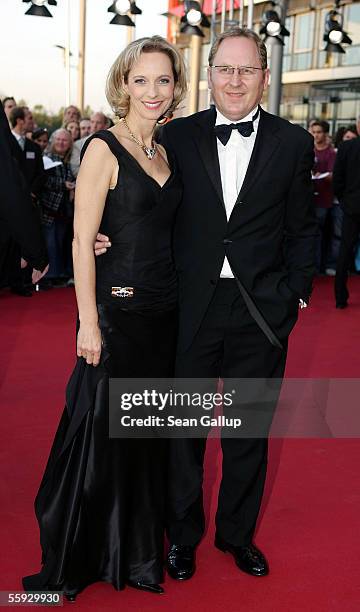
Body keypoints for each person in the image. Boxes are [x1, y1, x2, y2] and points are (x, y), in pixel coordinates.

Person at [96, 27, 317, 580]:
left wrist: (295, 297)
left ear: (265, 77)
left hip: (260, 312)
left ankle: (237, 536)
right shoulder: (179, 136)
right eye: (225, 69)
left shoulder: (293, 143)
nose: (235, 80)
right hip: (189, 308)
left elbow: (303, 228)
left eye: (247, 70)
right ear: (209, 74)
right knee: (184, 434)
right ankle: (183, 537)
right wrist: (109, 237)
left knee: (248, 436)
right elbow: (147, 206)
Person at [23, 35, 187, 600]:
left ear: (175, 88)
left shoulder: (166, 153)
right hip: (116, 315)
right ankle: (83, 555)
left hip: (164, 318)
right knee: (101, 439)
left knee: (146, 440)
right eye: (140, 79)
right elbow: (78, 240)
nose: (151, 90)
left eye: (162, 80)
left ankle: (139, 556)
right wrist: (87, 323)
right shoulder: (102, 149)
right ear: (122, 84)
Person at [0, 101, 48, 285]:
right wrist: (36, 252)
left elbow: (39, 174)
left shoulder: (32, 147)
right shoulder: (6, 143)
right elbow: (9, 186)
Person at [39, 128, 76, 286]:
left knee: (60, 242)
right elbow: (42, 182)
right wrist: (64, 185)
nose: (61, 143)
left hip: (65, 211)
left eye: (65, 140)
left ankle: (60, 273)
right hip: (49, 209)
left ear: (70, 143)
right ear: (53, 141)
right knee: (50, 242)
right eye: (58, 139)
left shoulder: (70, 161)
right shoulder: (45, 158)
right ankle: (49, 275)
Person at [333, 136, 360, 308]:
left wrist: (344, 201)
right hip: (351, 205)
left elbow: (338, 179)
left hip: (352, 207)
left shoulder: (346, 147)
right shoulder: (347, 147)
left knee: (345, 250)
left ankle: (340, 298)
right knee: (344, 251)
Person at [310, 120, 337, 273]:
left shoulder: (331, 153)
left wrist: (321, 175)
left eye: (319, 132)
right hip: (308, 199)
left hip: (323, 199)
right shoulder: (309, 149)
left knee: (320, 233)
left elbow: (333, 175)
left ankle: (319, 266)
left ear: (325, 133)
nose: (316, 135)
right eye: (313, 132)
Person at [70, 112, 109, 177]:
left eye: (98, 122)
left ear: (105, 126)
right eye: (92, 122)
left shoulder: (112, 143)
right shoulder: (78, 145)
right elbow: (75, 169)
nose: (94, 125)